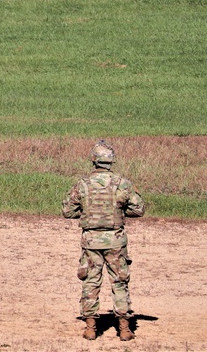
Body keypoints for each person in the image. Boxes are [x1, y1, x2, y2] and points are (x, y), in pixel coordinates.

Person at [62, 140, 145, 341]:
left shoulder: (83, 185)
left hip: (91, 241)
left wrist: (88, 213)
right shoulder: (122, 183)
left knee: (91, 281)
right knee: (119, 282)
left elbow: (67, 210)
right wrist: (119, 212)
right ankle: (124, 329)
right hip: (115, 240)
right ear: (111, 161)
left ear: (94, 161)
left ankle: (91, 327)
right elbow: (138, 209)